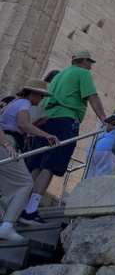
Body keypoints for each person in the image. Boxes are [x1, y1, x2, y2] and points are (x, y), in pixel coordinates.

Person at [22, 49, 107, 224]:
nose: (91, 66)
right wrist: (104, 119)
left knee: (37, 164)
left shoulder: (59, 76)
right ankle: (31, 210)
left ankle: (21, 206)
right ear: (83, 61)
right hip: (65, 119)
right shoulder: (82, 73)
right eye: (90, 62)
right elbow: (92, 96)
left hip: (47, 118)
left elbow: (45, 102)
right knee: (51, 165)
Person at [0, 79, 59, 242]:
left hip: (5, 143)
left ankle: (11, 218)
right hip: (6, 145)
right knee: (26, 183)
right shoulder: (25, 103)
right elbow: (23, 124)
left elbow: (15, 125)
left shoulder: (15, 103)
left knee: (8, 187)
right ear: (33, 93)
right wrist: (46, 135)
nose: (41, 99)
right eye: (40, 95)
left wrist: (35, 124)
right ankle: (7, 226)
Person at [85, 109, 115, 178]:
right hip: (106, 148)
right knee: (103, 178)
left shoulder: (108, 118)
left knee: (89, 178)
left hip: (92, 148)